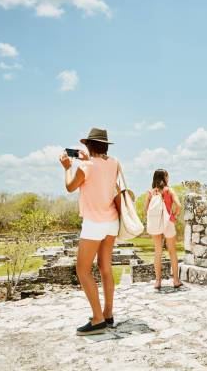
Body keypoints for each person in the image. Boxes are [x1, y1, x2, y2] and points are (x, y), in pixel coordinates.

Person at [59, 128, 121, 336]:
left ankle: (97, 320)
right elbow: (104, 176)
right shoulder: (114, 163)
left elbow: (70, 186)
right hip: (112, 220)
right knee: (105, 267)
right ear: (104, 146)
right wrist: (88, 160)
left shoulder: (85, 166)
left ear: (89, 145)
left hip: (94, 223)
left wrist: (68, 167)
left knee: (83, 270)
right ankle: (108, 313)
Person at [145, 169, 183, 290]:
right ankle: (176, 280)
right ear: (165, 177)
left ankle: (158, 281)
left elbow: (146, 210)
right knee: (172, 251)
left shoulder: (151, 193)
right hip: (168, 223)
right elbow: (179, 205)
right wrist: (174, 215)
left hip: (156, 224)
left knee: (158, 252)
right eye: (168, 176)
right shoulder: (169, 190)